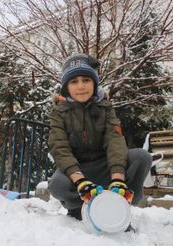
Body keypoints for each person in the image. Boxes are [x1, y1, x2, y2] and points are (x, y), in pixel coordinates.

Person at [47, 54, 152, 223]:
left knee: (141, 157)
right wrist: (79, 180)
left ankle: (119, 203)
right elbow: (59, 147)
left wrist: (118, 179)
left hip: (105, 167)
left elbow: (115, 141)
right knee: (57, 184)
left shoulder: (106, 108)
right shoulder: (59, 112)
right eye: (74, 81)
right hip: (78, 169)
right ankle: (77, 207)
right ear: (66, 87)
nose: (81, 86)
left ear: (94, 83)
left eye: (86, 80)